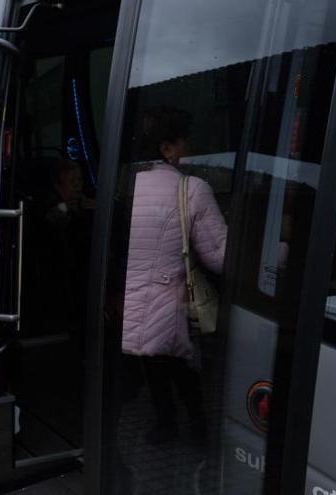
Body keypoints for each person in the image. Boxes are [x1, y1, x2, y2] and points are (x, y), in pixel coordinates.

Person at [121, 107, 227, 445]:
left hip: (131, 302)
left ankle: (164, 426)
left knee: (151, 364)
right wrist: (277, 250)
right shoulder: (192, 189)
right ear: (168, 148)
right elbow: (222, 257)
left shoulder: (127, 185)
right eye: (185, 142)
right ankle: (198, 431)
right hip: (170, 302)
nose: (190, 148)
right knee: (183, 367)